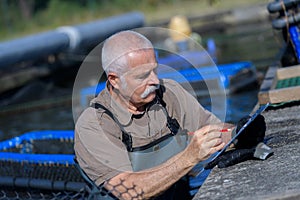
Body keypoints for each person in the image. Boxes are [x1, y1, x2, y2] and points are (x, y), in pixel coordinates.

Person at [74, 30, 265, 200]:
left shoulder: (168, 93)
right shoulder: (92, 125)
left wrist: (238, 133)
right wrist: (189, 157)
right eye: (142, 76)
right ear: (114, 80)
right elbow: (129, 192)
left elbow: (211, 130)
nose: (155, 80)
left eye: (155, 70)